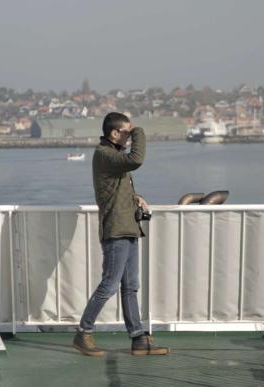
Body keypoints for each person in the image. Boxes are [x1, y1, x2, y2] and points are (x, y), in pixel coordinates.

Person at [73, 112, 170, 357]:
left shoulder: (113, 155)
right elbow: (136, 159)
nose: (129, 135)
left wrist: (135, 198)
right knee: (110, 284)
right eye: (127, 132)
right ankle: (83, 332)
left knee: (131, 287)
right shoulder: (104, 154)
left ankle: (138, 338)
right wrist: (139, 131)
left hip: (128, 228)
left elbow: (116, 187)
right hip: (115, 231)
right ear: (115, 133)